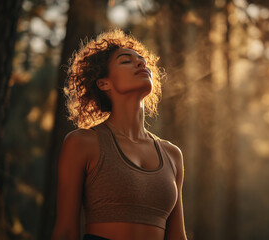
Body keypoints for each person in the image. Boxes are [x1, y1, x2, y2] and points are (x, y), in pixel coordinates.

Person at [51, 29, 187, 240]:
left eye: (143, 61)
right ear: (103, 83)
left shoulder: (172, 154)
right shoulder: (82, 143)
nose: (142, 64)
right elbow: (66, 231)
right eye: (126, 61)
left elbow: (177, 236)